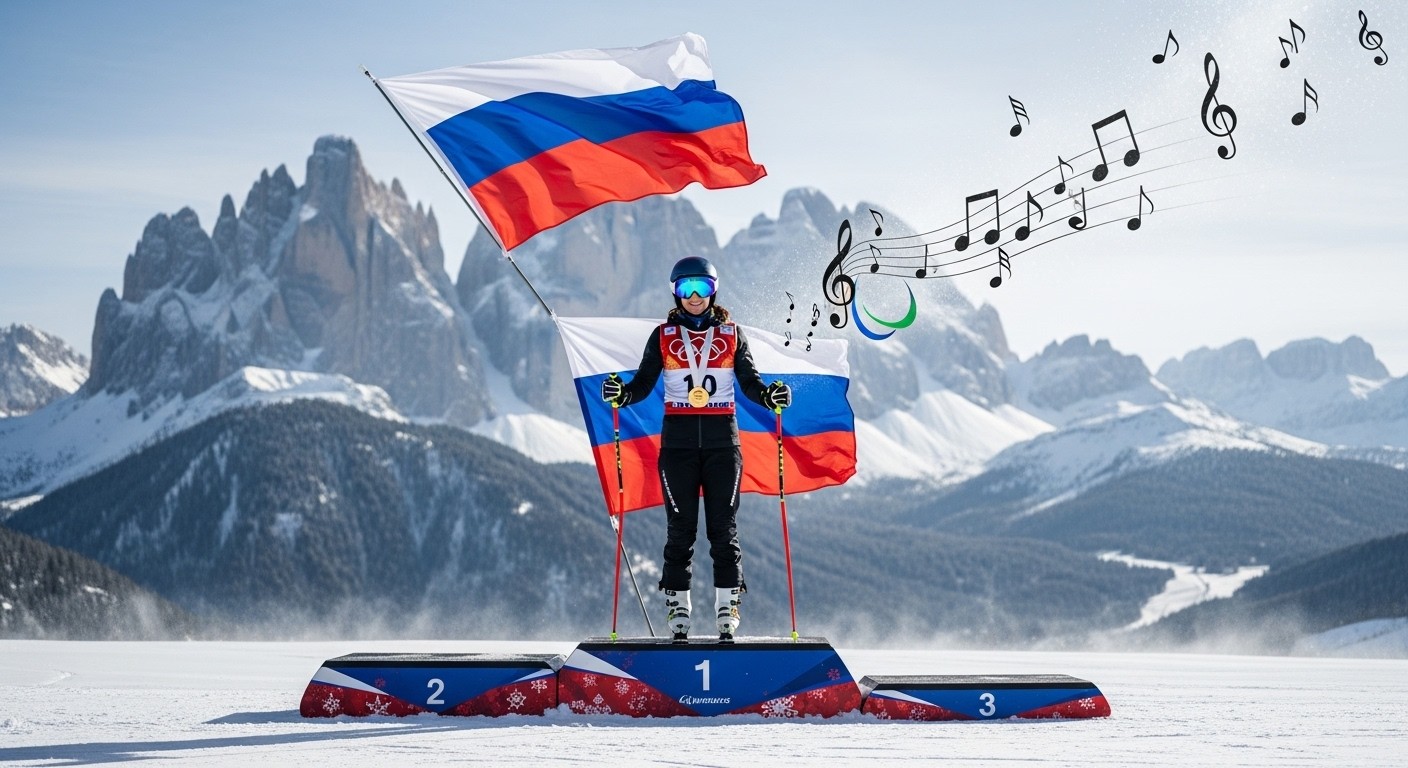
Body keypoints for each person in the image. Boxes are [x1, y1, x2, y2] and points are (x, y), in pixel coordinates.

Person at [601, 256, 792, 642]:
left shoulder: (733, 335)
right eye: (685, 288)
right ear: (674, 293)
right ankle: (679, 609)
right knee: (681, 531)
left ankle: (727, 608)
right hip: (678, 447)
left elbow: (750, 382)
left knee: (723, 530)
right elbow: (642, 384)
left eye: (701, 288)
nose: (693, 296)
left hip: (724, 444)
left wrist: (770, 395)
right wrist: (622, 394)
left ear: (713, 290)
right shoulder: (662, 336)